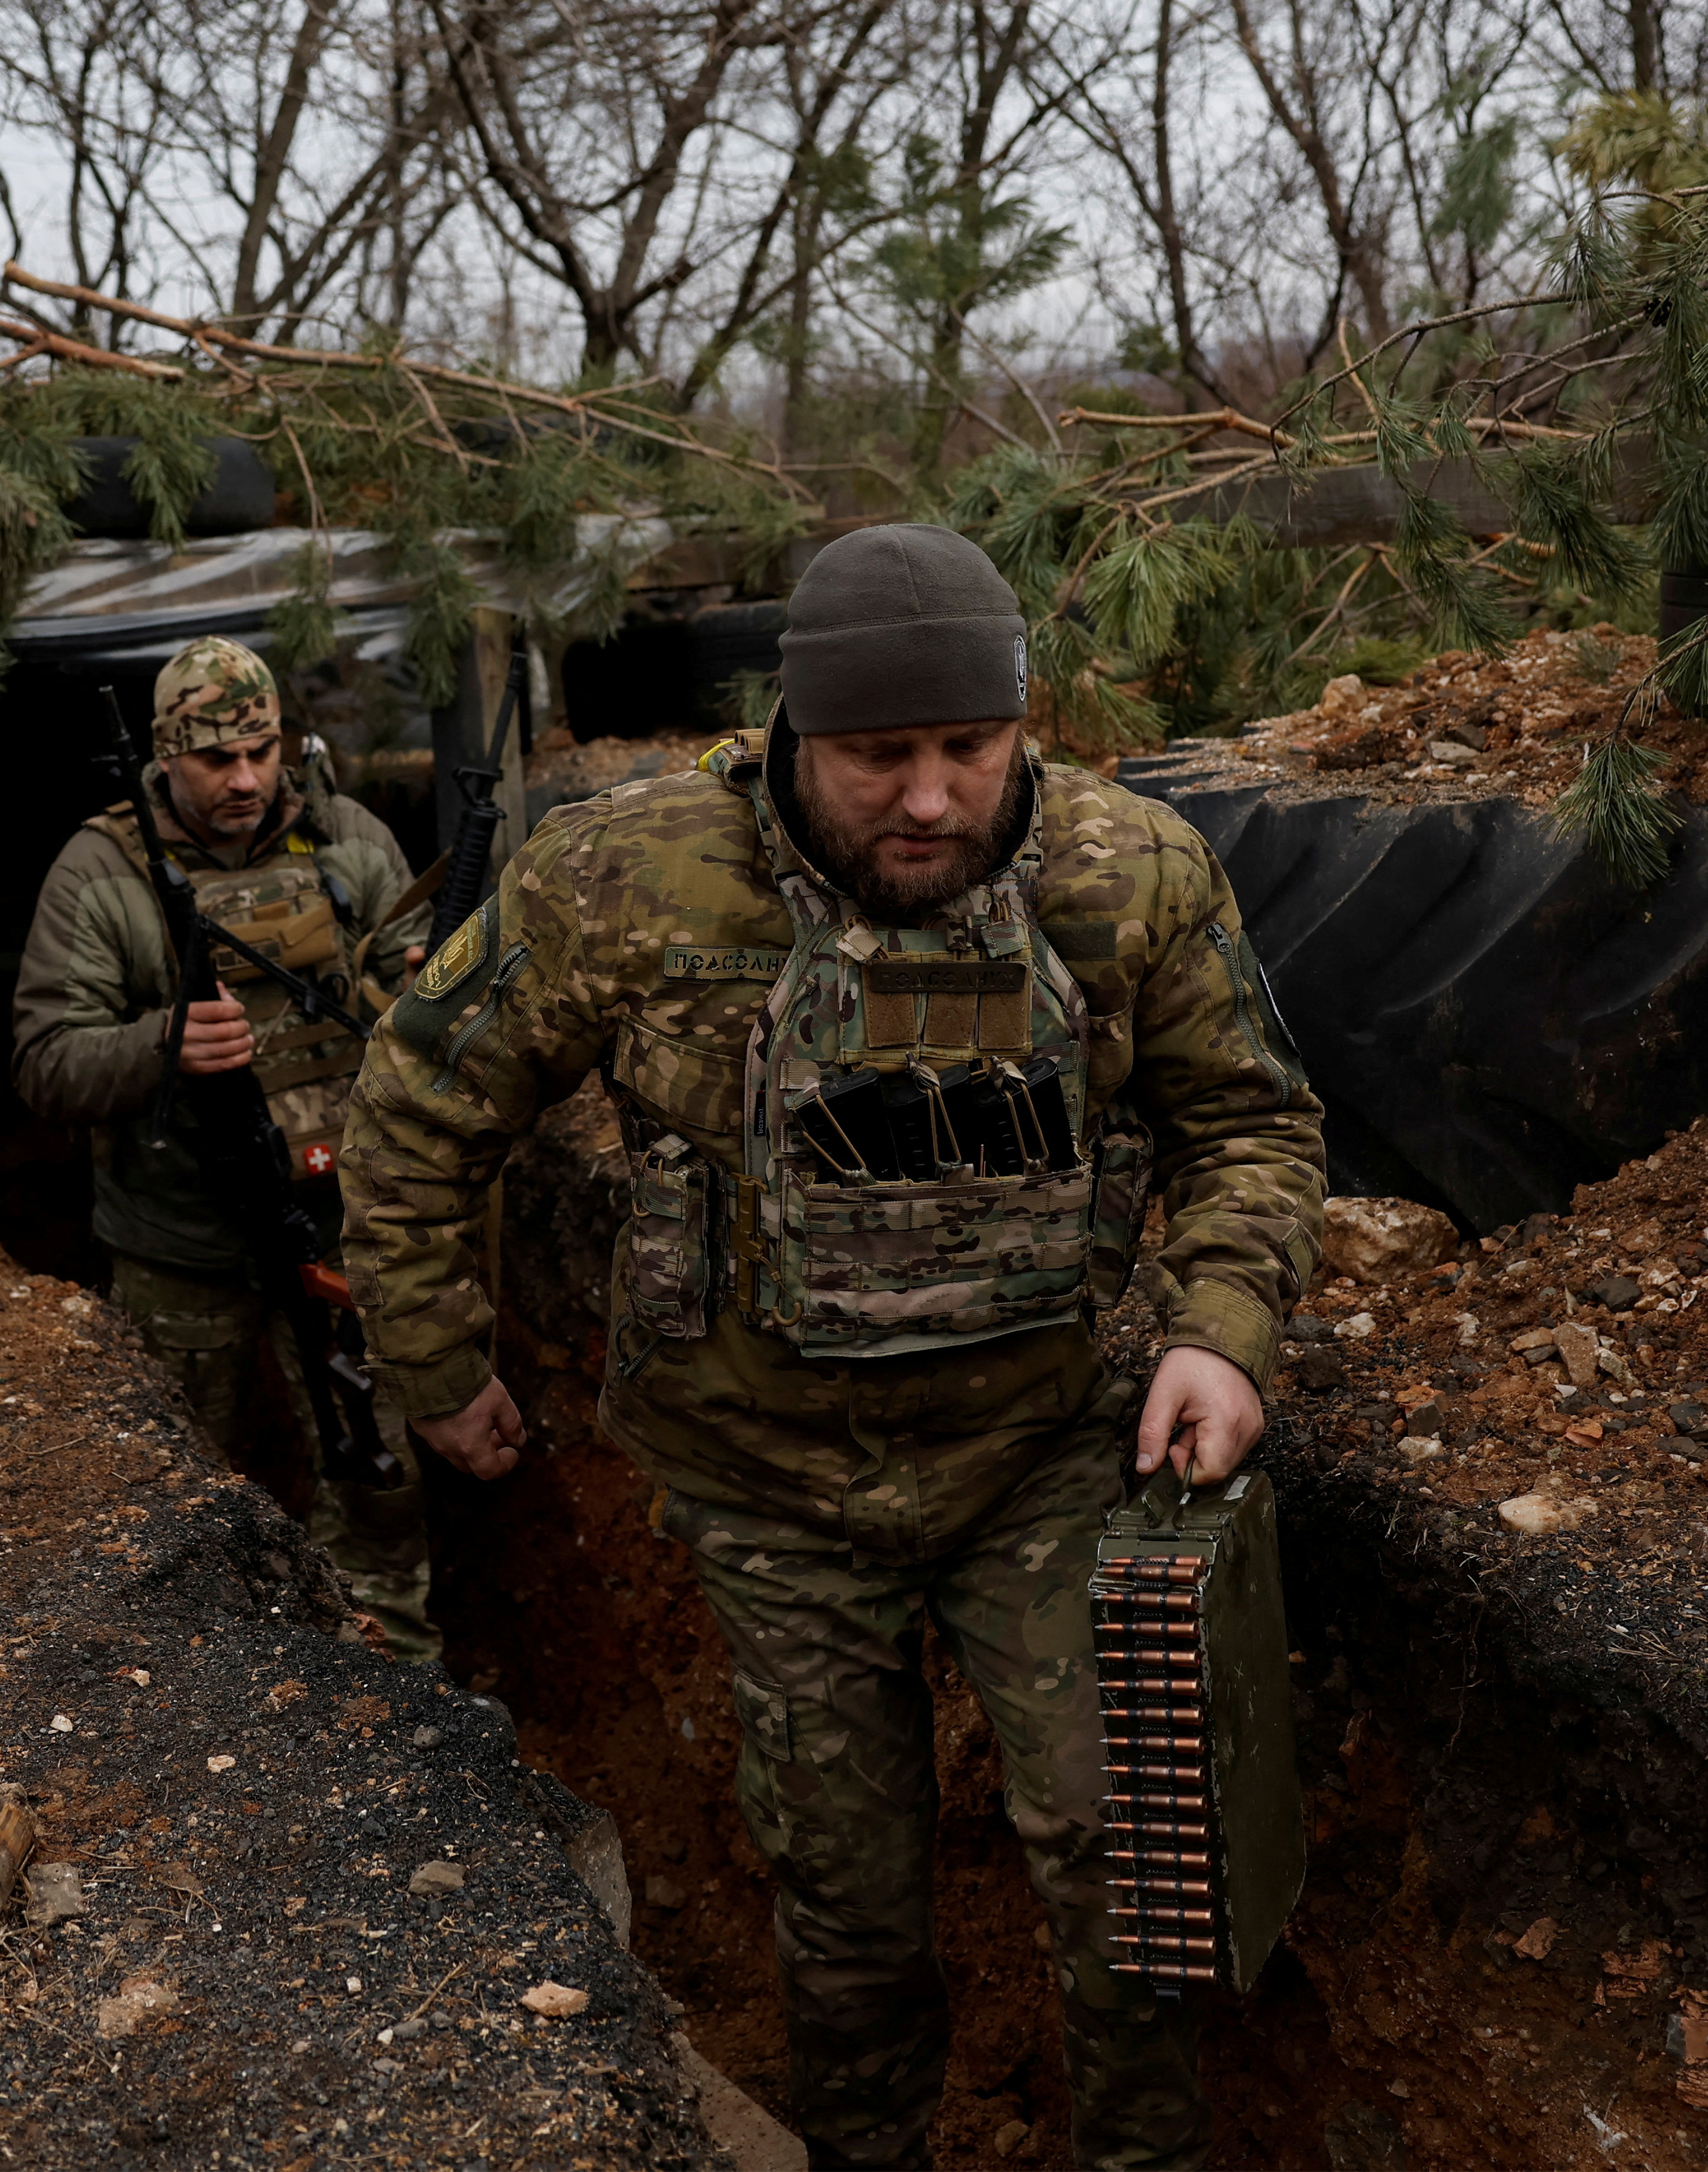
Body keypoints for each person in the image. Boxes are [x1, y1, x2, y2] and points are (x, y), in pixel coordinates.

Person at [338, 525, 1327, 2169]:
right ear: (798, 734)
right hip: (770, 1491)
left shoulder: (1129, 873)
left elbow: (1254, 1123)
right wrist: (436, 1362)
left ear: (1026, 722)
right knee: (846, 1901)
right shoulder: (625, 878)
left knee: (1121, 1853)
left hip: (1043, 1458)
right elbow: (418, 1108)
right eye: (880, 758)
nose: (930, 799)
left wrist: (1223, 1329)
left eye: (970, 747)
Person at [12, 634, 442, 1662]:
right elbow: (43, 1062)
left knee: (378, 1472)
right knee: (177, 1489)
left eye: (262, 749)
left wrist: (425, 979)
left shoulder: (347, 838)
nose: (247, 778)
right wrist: (160, 1045)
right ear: (166, 756)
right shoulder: (102, 872)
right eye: (217, 759)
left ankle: (400, 1682)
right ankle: (198, 1692)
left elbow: (403, 967)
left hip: (342, 1225)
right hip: (181, 1240)